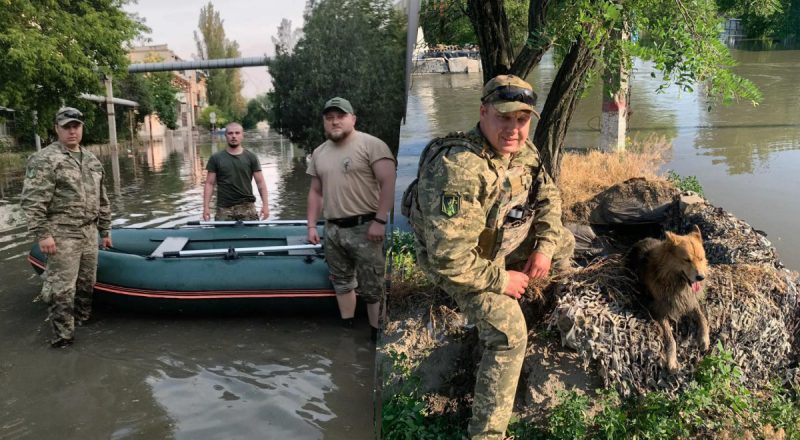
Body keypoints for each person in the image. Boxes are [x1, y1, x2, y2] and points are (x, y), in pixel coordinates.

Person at [405, 75, 575, 439]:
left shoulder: (523, 151)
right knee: (511, 333)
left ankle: (541, 307)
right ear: (483, 113)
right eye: (504, 118)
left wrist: (544, 248)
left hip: (499, 245)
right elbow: (448, 259)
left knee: (563, 243)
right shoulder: (460, 169)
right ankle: (486, 434)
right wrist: (502, 280)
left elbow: (549, 199)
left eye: (522, 119)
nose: (513, 129)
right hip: (459, 265)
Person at [20, 107, 113, 348]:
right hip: (62, 232)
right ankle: (63, 336)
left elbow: (102, 198)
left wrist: (105, 230)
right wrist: (43, 234)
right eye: (67, 127)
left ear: (82, 128)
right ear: (57, 129)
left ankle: (83, 319)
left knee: (86, 281)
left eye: (76, 126)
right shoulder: (44, 159)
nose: (72, 131)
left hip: (89, 231)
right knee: (62, 286)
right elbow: (32, 200)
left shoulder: (91, 159)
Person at [306, 97, 396, 340]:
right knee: (342, 282)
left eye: (340, 116)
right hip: (333, 229)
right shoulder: (319, 152)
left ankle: (376, 336)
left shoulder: (371, 145)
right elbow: (316, 191)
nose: (334, 121)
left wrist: (379, 220)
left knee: (373, 287)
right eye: (329, 117)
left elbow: (388, 182)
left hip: (366, 226)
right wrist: (312, 225)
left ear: (352, 119)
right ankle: (347, 330)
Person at [203, 122, 270, 221]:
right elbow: (209, 183)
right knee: (223, 236)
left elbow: (260, 183)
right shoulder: (216, 158)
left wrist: (265, 205)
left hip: (247, 207)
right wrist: (206, 207)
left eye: (237, 133)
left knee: (251, 235)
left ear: (242, 135)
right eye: (230, 133)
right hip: (224, 209)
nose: (234, 136)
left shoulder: (251, 157)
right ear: (225, 136)